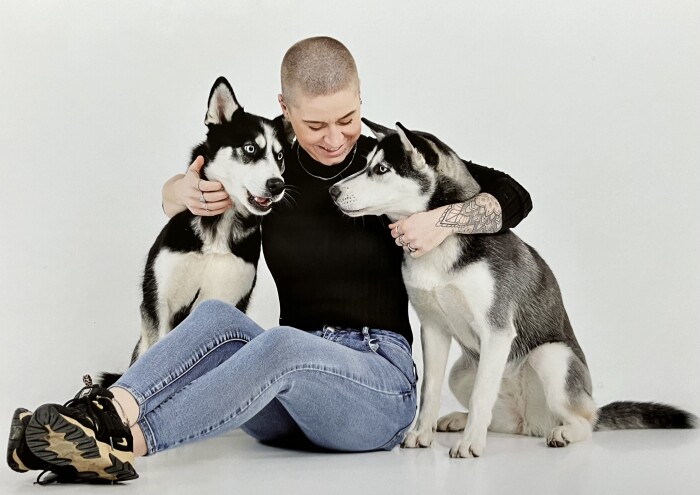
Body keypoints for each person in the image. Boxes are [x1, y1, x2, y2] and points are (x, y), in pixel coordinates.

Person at [7, 36, 532, 484]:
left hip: (375, 390)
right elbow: (197, 176)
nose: (334, 138)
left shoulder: (391, 161)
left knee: (279, 343)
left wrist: (438, 220)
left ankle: (120, 447)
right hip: (281, 396)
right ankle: (92, 419)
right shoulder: (267, 174)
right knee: (216, 318)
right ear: (285, 110)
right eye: (314, 124)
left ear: (360, 101)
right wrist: (176, 191)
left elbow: (514, 195)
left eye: (347, 119)